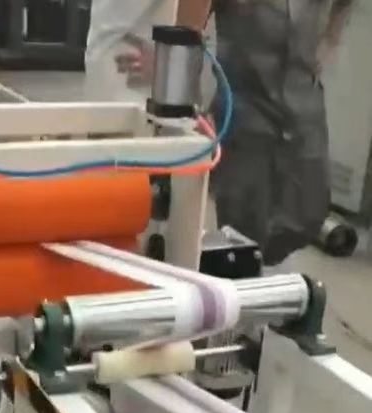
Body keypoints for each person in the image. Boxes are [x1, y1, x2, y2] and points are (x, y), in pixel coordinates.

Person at [95, 0, 354, 266]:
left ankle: (248, 263)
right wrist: (172, 64)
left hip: (303, 102)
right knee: (243, 227)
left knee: (309, 213)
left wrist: (331, 39)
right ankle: (238, 272)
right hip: (245, 106)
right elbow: (189, 28)